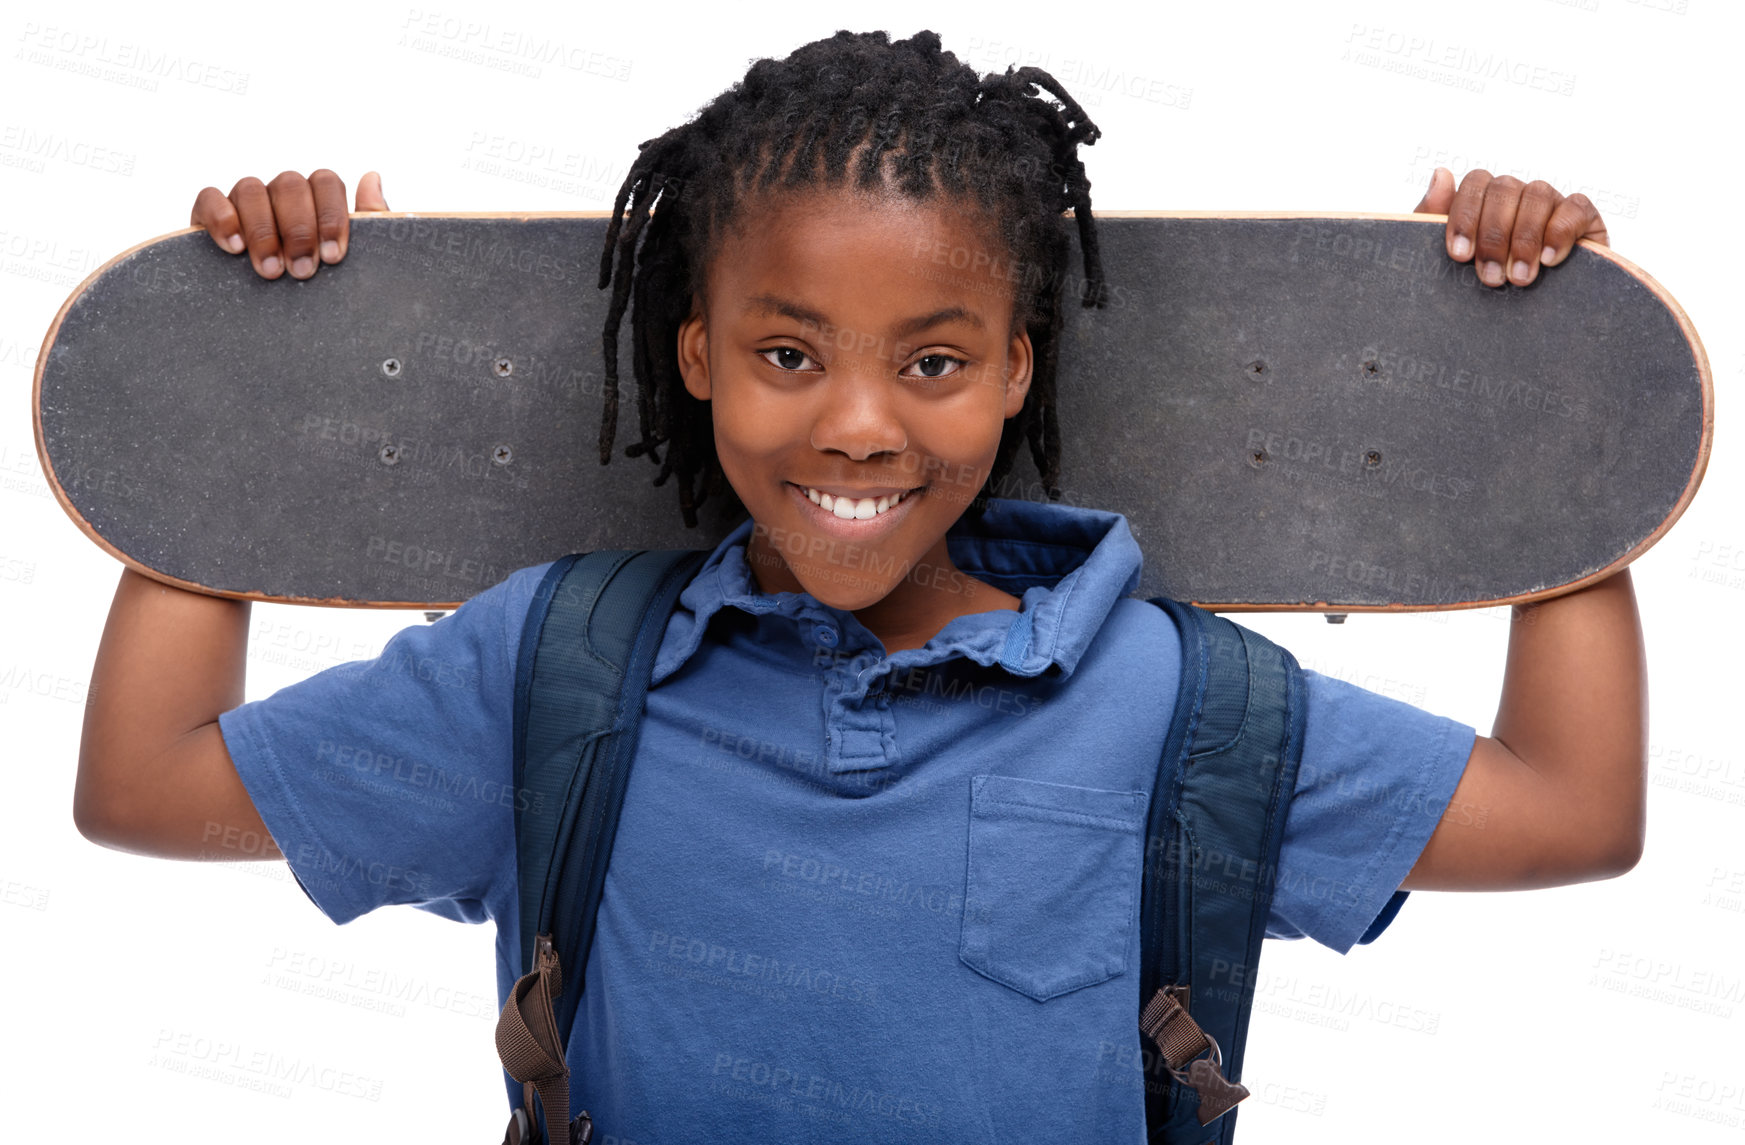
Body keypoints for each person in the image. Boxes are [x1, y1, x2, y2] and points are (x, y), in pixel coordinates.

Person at [74, 28, 1643, 1143]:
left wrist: (1531, 411)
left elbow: (1571, 809)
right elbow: (145, 787)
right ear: (693, 357)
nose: (856, 424)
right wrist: (244, 413)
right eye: (784, 353)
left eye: (937, 360)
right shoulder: (554, 672)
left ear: (1016, 370)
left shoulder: (1176, 704)